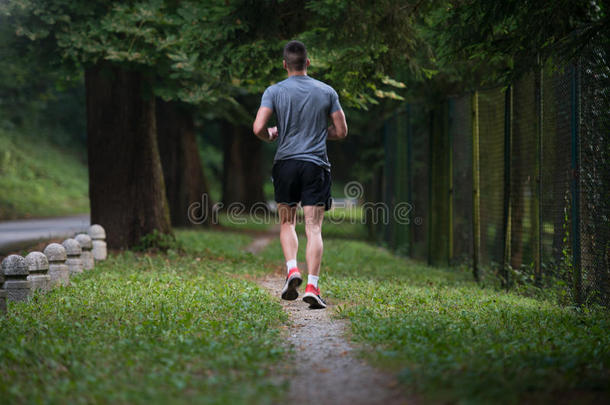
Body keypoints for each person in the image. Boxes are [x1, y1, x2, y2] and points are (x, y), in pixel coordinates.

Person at [252, 40, 347, 309]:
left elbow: (258, 127)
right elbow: (341, 131)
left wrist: (271, 134)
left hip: (286, 165)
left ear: (285, 65)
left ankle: (292, 269)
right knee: (314, 228)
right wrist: (320, 133)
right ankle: (312, 287)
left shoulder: (274, 91)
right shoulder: (327, 91)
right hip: (315, 165)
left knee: (287, 223)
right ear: (307, 63)